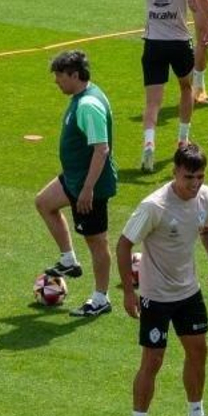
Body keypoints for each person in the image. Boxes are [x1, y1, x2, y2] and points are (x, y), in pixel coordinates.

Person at [117, 142, 208, 416]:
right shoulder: (155, 207)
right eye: (189, 177)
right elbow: (124, 245)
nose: (195, 184)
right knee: (153, 361)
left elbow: (206, 230)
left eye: (200, 177)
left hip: (188, 291)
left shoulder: (205, 196)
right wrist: (127, 291)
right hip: (156, 297)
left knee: (199, 350)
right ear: (175, 171)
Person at [36, 50, 118, 318]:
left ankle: (100, 298)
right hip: (74, 179)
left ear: (74, 75)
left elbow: (101, 149)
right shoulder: (83, 96)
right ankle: (68, 260)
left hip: (88, 186)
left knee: (96, 242)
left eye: (59, 76)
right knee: (44, 203)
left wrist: (87, 189)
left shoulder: (87, 106)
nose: (56, 81)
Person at [130, 0, 208, 173]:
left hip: (153, 43)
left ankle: (149, 142)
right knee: (186, 87)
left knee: (152, 101)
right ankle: (183, 139)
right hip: (179, 41)